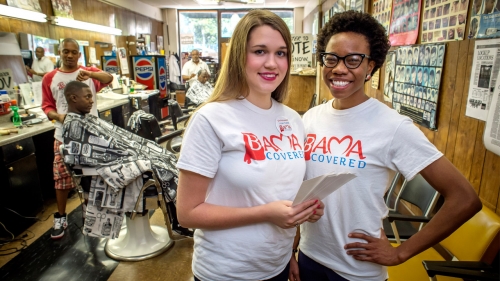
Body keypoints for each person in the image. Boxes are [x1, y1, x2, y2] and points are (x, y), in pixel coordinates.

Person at [298, 11, 481, 280]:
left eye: (353, 60)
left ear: (371, 66)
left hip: (356, 269)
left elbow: (465, 199)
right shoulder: (312, 117)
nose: (339, 68)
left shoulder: (393, 127)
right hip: (309, 256)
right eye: (331, 58)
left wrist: (400, 253)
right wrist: (292, 248)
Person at [175, 10, 324, 281]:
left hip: (276, 265)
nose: (272, 63)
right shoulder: (211, 119)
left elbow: (277, 193)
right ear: (239, 56)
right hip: (227, 271)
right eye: (259, 51)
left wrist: (295, 233)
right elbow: (187, 213)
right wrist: (267, 214)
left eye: (281, 53)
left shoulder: (292, 120)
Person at [42, 38, 113, 240]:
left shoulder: (88, 73)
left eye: (74, 52)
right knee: (61, 179)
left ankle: (90, 212)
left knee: (94, 176)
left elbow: (109, 78)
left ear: (79, 54)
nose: (70, 55)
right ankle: (61, 217)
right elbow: (47, 106)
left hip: (91, 136)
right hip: (62, 136)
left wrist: (90, 73)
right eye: (66, 52)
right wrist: (59, 117)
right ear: (60, 53)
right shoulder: (50, 78)